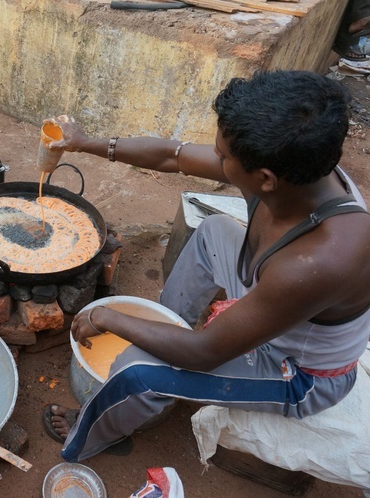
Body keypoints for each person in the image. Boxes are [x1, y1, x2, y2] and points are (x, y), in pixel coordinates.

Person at [42, 70, 370, 462]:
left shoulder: (318, 260)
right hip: (272, 300)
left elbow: (205, 353)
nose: (214, 158)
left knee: (137, 369)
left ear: (264, 178)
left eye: (222, 156)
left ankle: (91, 437)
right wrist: (83, 143)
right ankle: (169, 324)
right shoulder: (294, 171)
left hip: (297, 372)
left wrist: (111, 318)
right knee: (215, 230)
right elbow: (172, 155)